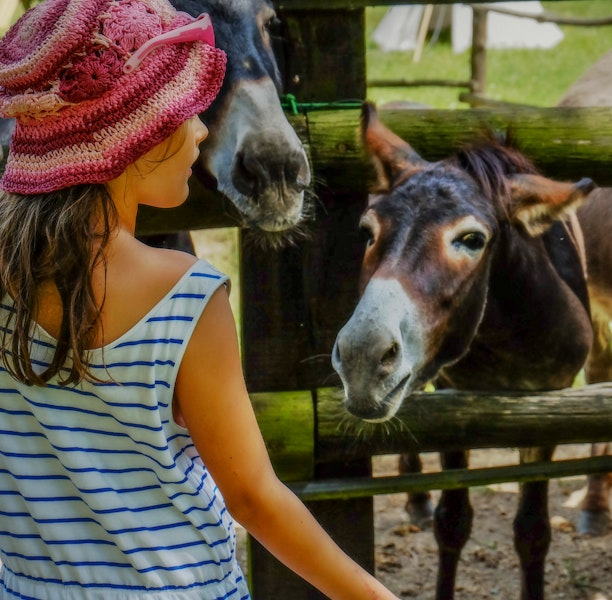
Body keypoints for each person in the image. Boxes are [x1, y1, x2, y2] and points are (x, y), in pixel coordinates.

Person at [0, 1, 399, 598]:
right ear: (128, 137)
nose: (204, 129)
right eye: (183, 111)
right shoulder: (184, 297)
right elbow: (253, 497)